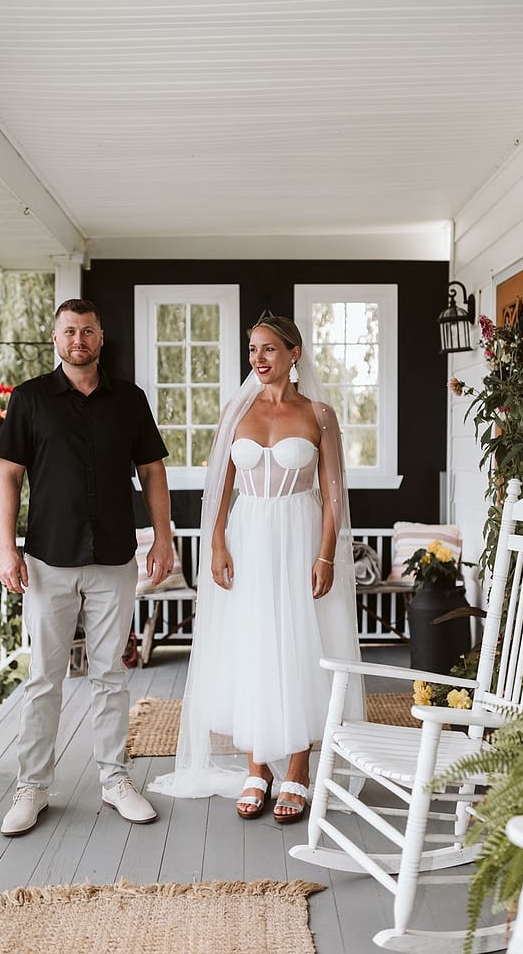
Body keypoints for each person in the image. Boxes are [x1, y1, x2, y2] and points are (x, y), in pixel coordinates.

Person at [149, 313, 363, 823]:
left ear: (294, 354)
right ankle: (256, 766)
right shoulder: (236, 412)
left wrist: (327, 552)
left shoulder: (319, 414)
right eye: (252, 351)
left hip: (300, 535)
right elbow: (220, 488)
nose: (259, 360)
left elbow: (333, 495)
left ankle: (297, 766)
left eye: (269, 349)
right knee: (253, 644)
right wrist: (217, 541)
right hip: (247, 538)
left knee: (300, 645)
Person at [0, 298, 173, 836]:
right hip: (47, 559)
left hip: (115, 557)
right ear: (56, 339)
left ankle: (115, 780)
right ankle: (33, 787)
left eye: (88, 331)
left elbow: (153, 472)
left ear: (101, 337)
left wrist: (163, 538)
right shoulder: (28, 400)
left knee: (111, 676)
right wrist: (7, 548)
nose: (79, 340)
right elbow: (7, 477)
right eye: (69, 331)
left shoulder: (129, 400)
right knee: (45, 679)